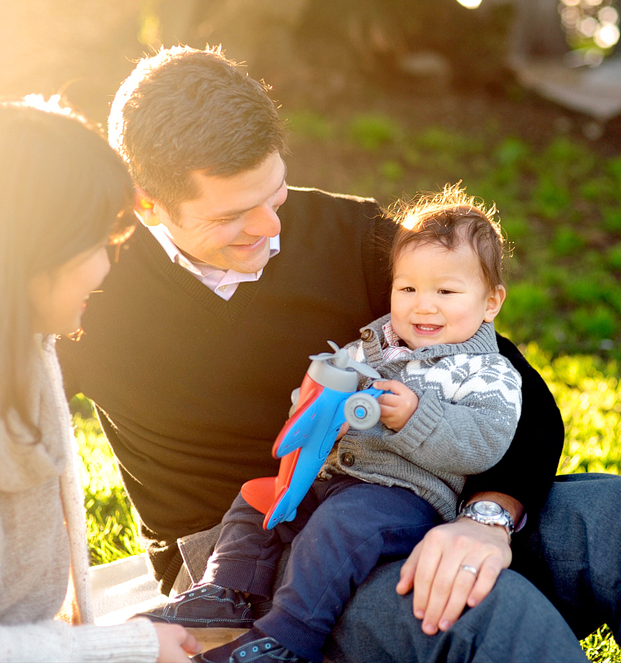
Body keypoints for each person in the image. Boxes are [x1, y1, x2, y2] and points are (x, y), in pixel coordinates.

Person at [57, 46, 621, 663]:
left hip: (415, 494)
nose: (271, 227)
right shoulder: (88, 288)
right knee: (488, 615)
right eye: (233, 216)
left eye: (275, 193)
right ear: (147, 204)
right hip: (257, 560)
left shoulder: (352, 235)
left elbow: (515, 388)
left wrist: (487, 518)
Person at [0, 97, 201, 662]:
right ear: (27, 254)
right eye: (99, 245)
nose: (108, 266)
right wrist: (126, 648)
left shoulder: (21, 350)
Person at [152, 194, 524, 663]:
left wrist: (415, 415)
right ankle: (224, 590)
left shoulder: (488, 373)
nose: (423, 306)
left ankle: (288, 639)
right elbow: (319, 391)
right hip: (328, 479)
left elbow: (484, 443)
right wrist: (313, 400)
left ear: (491, 302)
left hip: (403, 496)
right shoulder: (370, 347)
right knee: (257, 497)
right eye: (407, 289)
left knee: (338, 527)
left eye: (446, 293)